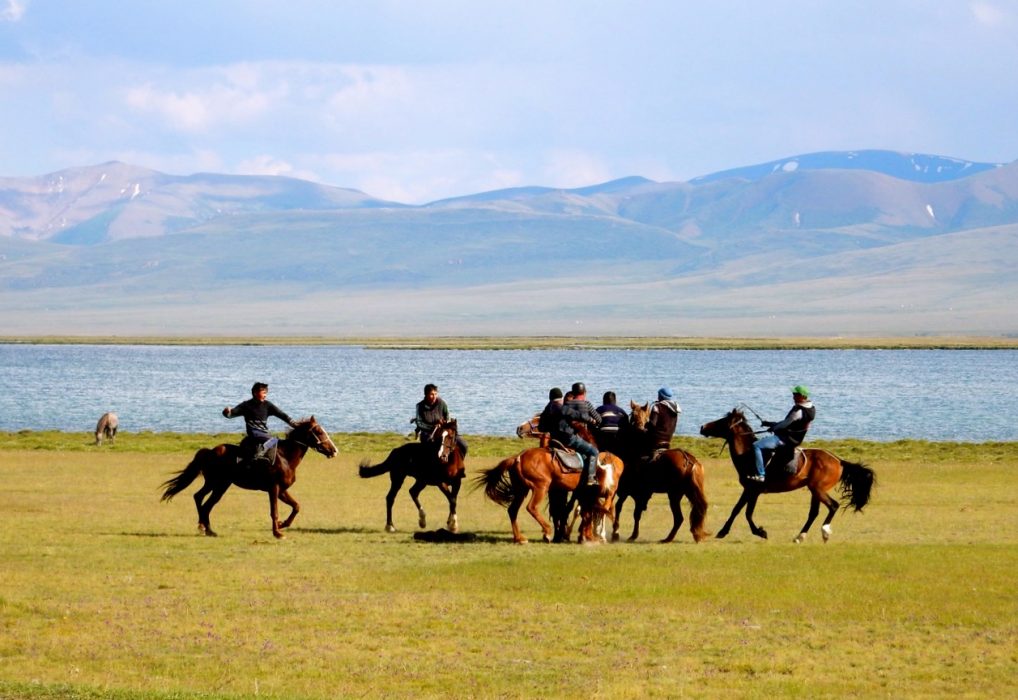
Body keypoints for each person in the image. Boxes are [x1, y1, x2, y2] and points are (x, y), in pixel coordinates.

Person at [750, 385, 815, 482]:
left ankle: (761, 474)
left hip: (786, 439)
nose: (793, 397)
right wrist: (769, 424)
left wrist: (773, 427)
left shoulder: (798, 411)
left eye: (795, 394)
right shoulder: (811, 409)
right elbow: (789, 423)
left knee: (756, 445)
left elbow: (784, 424)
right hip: (795, 438)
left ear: (802, 396)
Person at [223, 382, 298, 466]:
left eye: (266, 393)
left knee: (275, 440)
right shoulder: (246, 405)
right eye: (263, 393)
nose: (265, 395)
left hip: (264, 434)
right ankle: (256, 455)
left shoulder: (268, 405)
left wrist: (294, 424)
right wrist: (227, 412)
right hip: (254, 433)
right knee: (273, 440)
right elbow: (231, 414)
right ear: (255, 393)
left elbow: (282, 415)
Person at [554, 382, 602, 487]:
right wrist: (592, 421)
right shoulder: (587, 404)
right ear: (584, 392)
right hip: (579, 437)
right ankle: (591, 477)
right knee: (594, 452)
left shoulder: (566, 404)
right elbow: (599, 419)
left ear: (573, 392)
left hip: (563, 437)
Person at [415, 383, 468, 458]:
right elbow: (419, 423)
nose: (434, 396)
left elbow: (447, 417)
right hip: (427, 433)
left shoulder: (442, 403)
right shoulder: (419, 406)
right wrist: (433, 426)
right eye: (431, 394)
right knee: (429, 447)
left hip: (443, 431)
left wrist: (444, 422)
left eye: (435, 394)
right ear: (426, 395)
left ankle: (459, 463)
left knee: (463, 444)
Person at [639, 386, 681, 459]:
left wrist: (645, 426)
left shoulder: (657, 407)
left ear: (661, 396)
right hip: (669, 438)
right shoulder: (675, 409)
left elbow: (652, 424)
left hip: (657, 438)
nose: (658, 397)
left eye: (659, 395)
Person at [595, 391, 629, 455]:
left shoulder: (599, 409)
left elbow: (594, 422)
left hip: (604, 435)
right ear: (615, 401)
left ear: (603, 401)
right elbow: (627, 424)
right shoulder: (621, 410)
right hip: (617, 435)